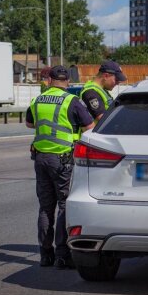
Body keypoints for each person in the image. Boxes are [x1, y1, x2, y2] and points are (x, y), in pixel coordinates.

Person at [26, 65, 94, 269]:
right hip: (63, 159)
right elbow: (89, 126)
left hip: (40, 157)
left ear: (50, 81)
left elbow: (30, 124)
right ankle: (62, 256)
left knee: (46, 208)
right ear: (67, 82)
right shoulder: (71, 101)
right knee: (64, 205)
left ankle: (45, 255)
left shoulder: (38, 100)